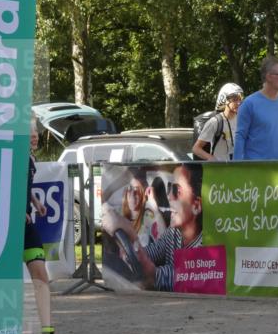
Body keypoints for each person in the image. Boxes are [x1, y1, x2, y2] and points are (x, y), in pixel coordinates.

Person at [103, 163, 204, 292]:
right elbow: (149, 254)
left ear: (196, 206)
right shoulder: (173, 234)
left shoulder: (204, 246)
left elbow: (155, 276)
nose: (169, 197)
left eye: (176, 191)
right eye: (169, 189)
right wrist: (128, 246)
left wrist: (131, 235)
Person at [25, 119, 67, 334]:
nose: (34, 137)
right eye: (29, 134)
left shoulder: (30, 159)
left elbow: (24, 186)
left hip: (26, 226)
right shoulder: (9, 158)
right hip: (10, 227)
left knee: (41, 274)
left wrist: (35, 202)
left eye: (36, 133)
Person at [193, 83, 244, 161]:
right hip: (219, 170)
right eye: (235, 99)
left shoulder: (241, 120)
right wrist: (211, 158)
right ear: (224, 100)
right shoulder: (215, 122)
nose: (238, 103)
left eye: (240, 99)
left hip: (237, 168)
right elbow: (196, 148)